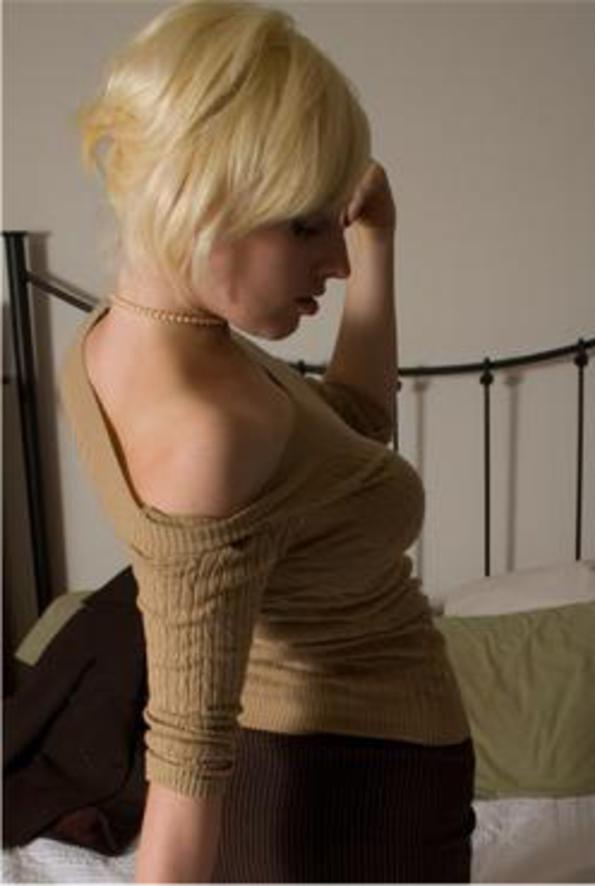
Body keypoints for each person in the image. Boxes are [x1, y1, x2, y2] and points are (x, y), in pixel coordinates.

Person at [61, 1, 476, 881]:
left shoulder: (117, 342)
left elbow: (351, 429)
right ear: (208, 198)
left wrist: (378, 238)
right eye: (305, 225)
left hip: (287, 774)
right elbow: (184, 753)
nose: (337, 260)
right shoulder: (208, 429)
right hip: (364, 787)